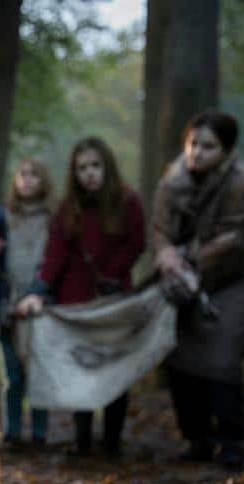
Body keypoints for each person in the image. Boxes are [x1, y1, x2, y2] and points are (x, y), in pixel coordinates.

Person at [152, 110, 244, 469]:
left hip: (237, 276)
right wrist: (165, 253)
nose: (197, 152)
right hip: (185, 277)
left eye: (208, 146)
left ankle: (232, 441)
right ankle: (196, 439)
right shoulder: (173, 180)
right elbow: (159, 228)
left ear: (227, 150)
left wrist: (187, 257)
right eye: (193, 143)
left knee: (222, 358)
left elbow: (236, 240)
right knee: (180, 358)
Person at [15, 137, 146, 457]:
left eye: (95, 166)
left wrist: (113, 274)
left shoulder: (128, 202)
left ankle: (112, 443)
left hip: (114, 302)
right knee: (80, 372)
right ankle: (83, 441)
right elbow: (55, 256)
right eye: (82, 167)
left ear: (107, 166)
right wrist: (39, 291)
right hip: (75, 303)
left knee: (115, 370)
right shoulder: (68, 209)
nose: (89, 173)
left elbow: (136, 243)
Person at [0, 159, 54, 452]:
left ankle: (40, 434)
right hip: (5, 305)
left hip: (41, 307)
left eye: (34, 175)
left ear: (43, 181)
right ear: (15, 181)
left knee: (39, 373)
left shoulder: (53, 219)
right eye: (23, 175)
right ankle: (13, 433)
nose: (28, 180)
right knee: (13, 375)